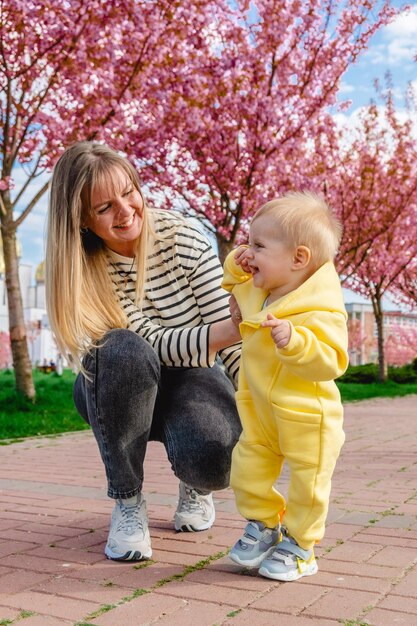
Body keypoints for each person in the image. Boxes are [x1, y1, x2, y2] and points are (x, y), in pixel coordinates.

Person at [45, 141, 242, 562]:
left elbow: (235, 339)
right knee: (121, 348)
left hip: (196, 374)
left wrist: (266, 405)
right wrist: (227, 331)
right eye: (104, 208)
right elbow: (151, 342)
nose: (126, 210)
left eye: (129, 191)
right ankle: (128, 501)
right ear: (81, 219)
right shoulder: (85, 271)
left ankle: (196, 482)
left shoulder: (182, 237)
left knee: (215, 458)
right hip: (121, 380)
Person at [221, 191, 349, 582]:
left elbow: (332, 359)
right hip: (260, 412)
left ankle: (301, 545)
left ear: (299, 259)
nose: (249, 251)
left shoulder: (322, 308)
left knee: (309, 485)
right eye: (249, 242)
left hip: (308, 417)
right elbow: (232, 279)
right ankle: (263, 525)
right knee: (247, 470)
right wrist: (238, 260)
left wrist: (296, 341)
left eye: (258, 245)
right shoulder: (260, 290)